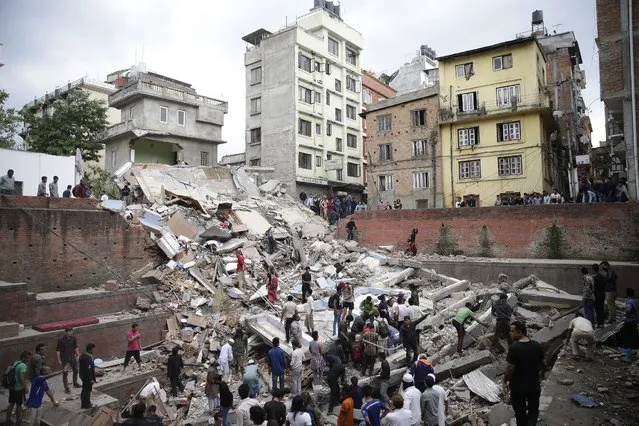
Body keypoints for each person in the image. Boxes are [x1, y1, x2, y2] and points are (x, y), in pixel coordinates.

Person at [503, 321, 546, 426]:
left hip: (518, 387)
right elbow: (543, 364)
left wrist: (505, 381)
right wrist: (541, 376)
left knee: (520, 413)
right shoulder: (536, 345)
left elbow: (510, 368)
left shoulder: (514, 348)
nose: (510, 333)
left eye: (513, 331)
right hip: (534, 385)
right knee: (533, 411)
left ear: (520, 332)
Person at [5, 350, 31, 426]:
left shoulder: (16, 362)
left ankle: (7, 420)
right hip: (18, 388)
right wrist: (25, 387)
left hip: (12, 387)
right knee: (19, 405)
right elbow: (21, 377)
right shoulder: (23, 365)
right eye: (27, 358)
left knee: (11, 404)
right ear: (23, 358)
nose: (28, 360)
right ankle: (18, 422)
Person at [57, 327, 80, 393]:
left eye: (71, 331)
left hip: (73, 357)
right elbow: (58, 350)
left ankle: (75, 383)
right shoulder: (60, 340)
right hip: (65, 359)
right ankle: (66, 387)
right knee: (65, 373)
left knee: (75, 370)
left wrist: (78, 355)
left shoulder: (73, 338)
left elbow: (75, 347)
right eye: (69, 332)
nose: (70, 333)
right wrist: (59, 360)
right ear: (65, 332)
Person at [79, 343, 97, 409]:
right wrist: (91, 379)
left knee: (85, 390)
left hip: (84, 376)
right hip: (87, 377)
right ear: (89, 350)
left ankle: (85, 403)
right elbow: (88, 369)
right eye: (93, 349)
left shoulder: (84, 356)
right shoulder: (87, 358)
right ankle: (86, 405)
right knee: (87, 391)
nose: (94, 350)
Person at [592, 264, 607, 328]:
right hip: (602, 295)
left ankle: (599, 324)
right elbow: (605, 286)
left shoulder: (593, 277)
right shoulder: (602, 277)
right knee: (601, 309)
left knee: (597, 310)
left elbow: (592, 287)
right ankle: (602, 323)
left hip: (596, 295)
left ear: (593, 269)